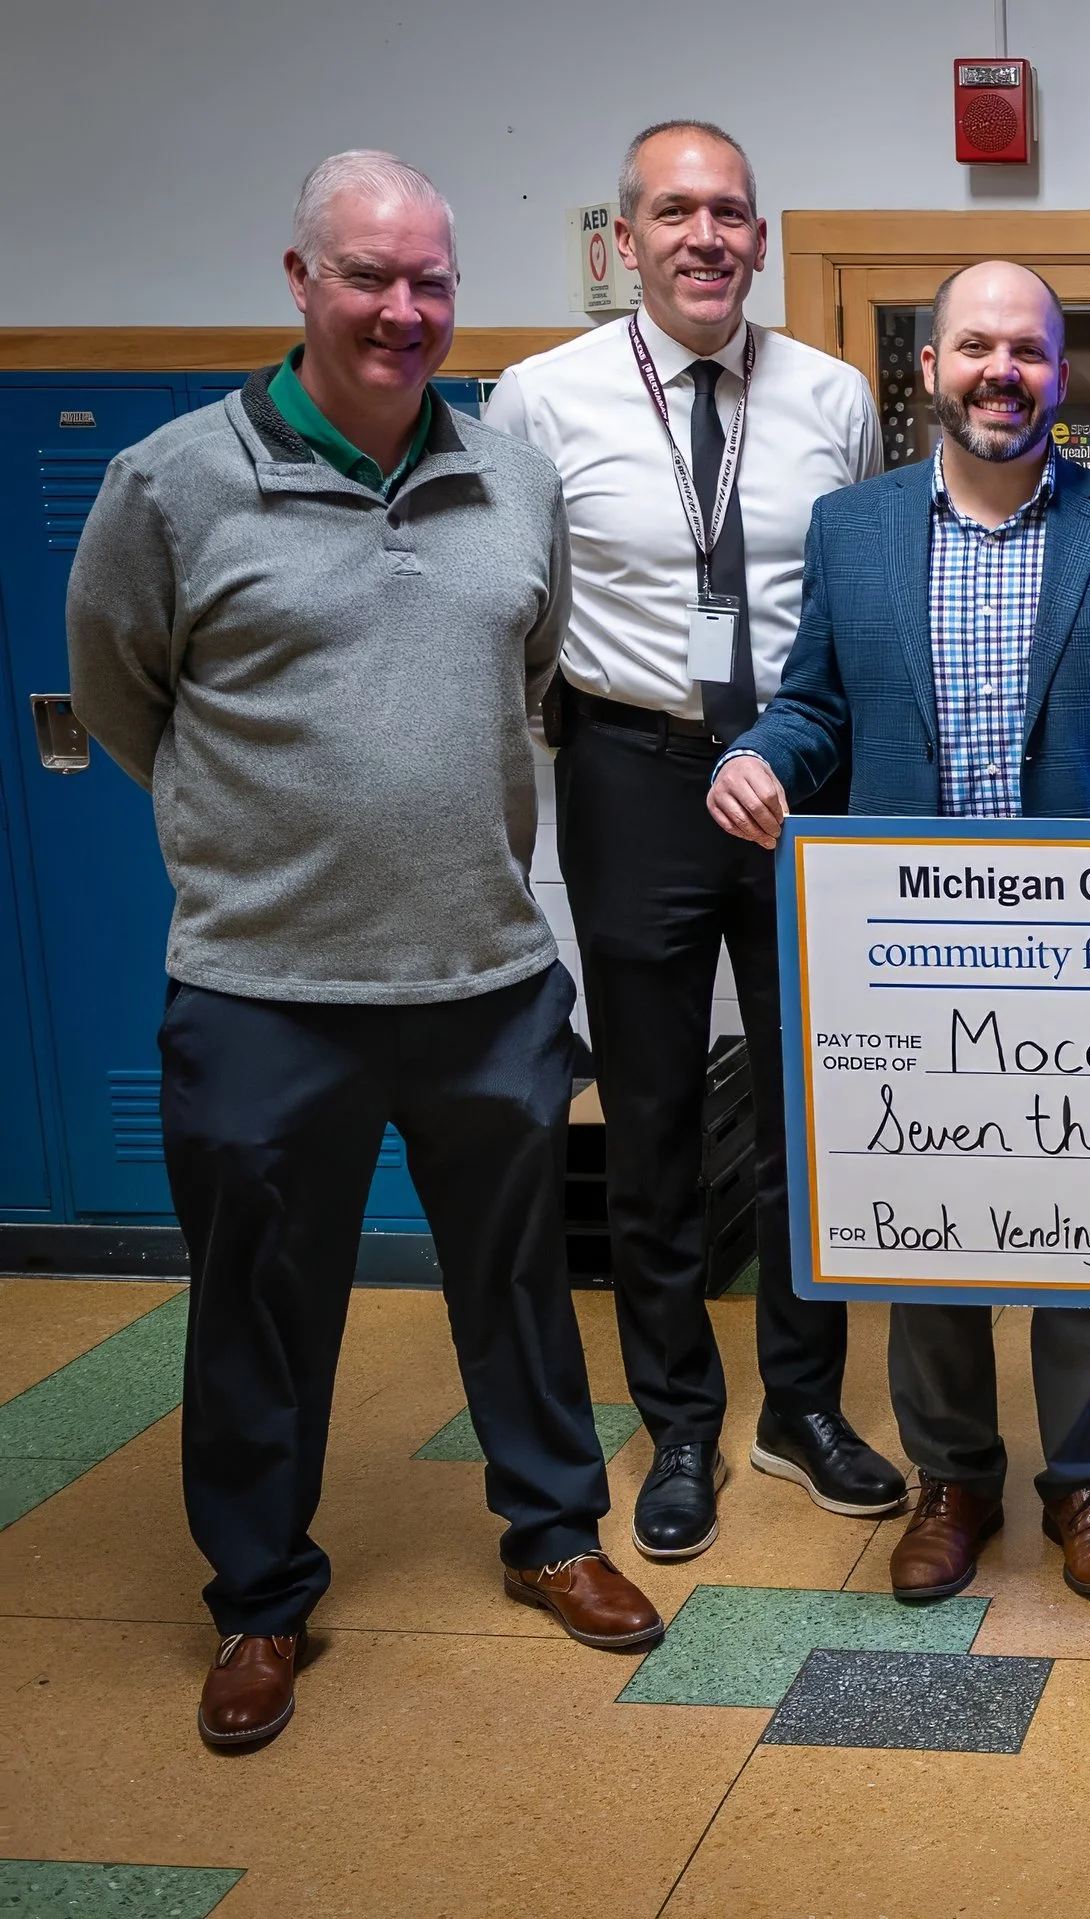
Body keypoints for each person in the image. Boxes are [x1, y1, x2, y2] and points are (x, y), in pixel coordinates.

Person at [65, 152, 660, 1751]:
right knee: (259, 1303)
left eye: (431, 282)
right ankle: (260, 1596)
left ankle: (554, 1530)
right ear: (300, 278)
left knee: (523, 1289)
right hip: (267, 990)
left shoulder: (511, 480)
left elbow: (525, 675)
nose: (404, 311)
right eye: (368, 276)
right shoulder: (171, 484)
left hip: (484, 976)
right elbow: (124, 697)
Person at [707, 260, 1090, 1605]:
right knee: (926, 1213)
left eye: (1033, 352)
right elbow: (818, 703)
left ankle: (1083, 1480)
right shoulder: (853, 529)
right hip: (909, 951)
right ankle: (952, 1474)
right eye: (977, 347)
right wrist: (762, 751)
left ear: (1064, 373)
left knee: (1085, 1216)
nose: (1005, 372)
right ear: (930, 367)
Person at [483, 121, 901, 1563]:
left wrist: (802, 746)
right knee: (653, 1120)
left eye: (730, 212)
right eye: (675, 212)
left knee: (812, 1112)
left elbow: (848, 598)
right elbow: (516, 601)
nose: (706, 236)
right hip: (635, 770)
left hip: (800, 772)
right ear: (625, 240)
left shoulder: (833, 395)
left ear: (761, 240)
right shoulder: (538, 397)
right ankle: (676, 1423)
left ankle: (803, 1404)